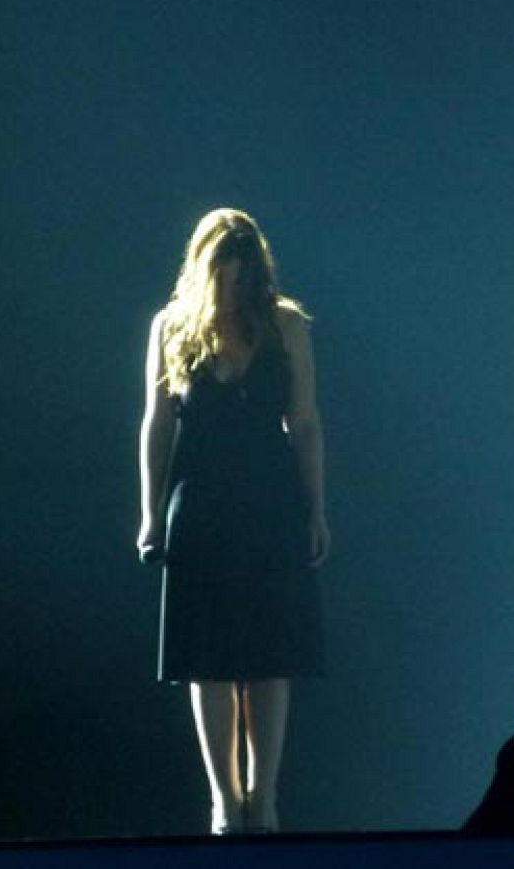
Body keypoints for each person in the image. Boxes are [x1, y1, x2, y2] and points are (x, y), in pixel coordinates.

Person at [137, 208, 329, 834]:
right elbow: (158, 424)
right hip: (202, 502)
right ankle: (225, 798)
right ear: (204, 269)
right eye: (225, 273)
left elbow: (303, 421)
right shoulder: (172, 327)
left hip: (269, 502)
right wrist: (150, 514)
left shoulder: (286, 326)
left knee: (269, 655)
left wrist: (315, 507)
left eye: (245, 274)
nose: (234, 287)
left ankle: (264, 795)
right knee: (209, 657)